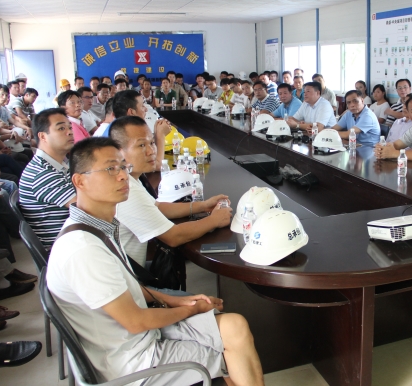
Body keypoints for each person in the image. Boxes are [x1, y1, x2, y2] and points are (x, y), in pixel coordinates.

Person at [47, 137, 264, 385]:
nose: (122, 176)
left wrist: (173, 300)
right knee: (231, 356)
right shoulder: (83, 249)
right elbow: (136, 322)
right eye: (110, 169)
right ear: (80, 181)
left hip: (141, 336)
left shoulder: (97, 226)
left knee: (235, 326)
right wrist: (191, 309)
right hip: (134, 361)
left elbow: (124, 286)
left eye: (123, 167)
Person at [110, 116, 234, 267]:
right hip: (131, 277)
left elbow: (158, 207)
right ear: (118, 152)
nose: (151, 151)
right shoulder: (125, 190)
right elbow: (173, 236)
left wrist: (202, 206)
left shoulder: (131, 179)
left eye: (152, 143)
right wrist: (215, 220)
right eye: (141, 145)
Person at [20, 108, 76, 249]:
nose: (70, 132)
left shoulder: (59, 164)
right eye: (61, 128)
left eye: (70, 127)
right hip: (65, 248)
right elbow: (88, 208)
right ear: (43, 136)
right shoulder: (42, 173)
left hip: (74, 236)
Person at [109, 90, 171, 170]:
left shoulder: (119, 127)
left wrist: (156, 133)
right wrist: (160, 135)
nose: (146, 109)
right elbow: (156, 166)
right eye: (142, 106)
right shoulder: (122, 133)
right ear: (131, 112)